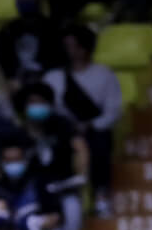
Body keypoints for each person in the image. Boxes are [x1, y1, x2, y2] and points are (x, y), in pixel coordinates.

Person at [45, 25, 121, 215]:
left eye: (73, 45)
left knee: (101, 139)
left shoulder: (104, 74)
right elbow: (45, 109)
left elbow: (113, 111)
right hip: (61, 132)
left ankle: (101, 195)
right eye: (65, 46)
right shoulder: (53, 77)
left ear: (85, 48)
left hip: (92, 131)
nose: (68, 50)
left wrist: (90, 125)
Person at [17, 81, 87, 230]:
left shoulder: (62, 125)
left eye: (41, 102)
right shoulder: (20, 132)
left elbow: (80, 148)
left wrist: (81, 175)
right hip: (34, 193)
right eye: (32, 102)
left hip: (63, 186)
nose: (36, 106)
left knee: (71, 214)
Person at [0, 0, 63, 83]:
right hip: (13, 82)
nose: (23, 0)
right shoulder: (8, 29)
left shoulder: (52, 28)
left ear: (37, 0)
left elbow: (58, 59)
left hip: (46, 80)